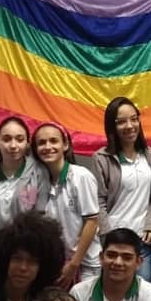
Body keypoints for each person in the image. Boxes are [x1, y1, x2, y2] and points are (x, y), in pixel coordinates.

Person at [91, 97, 151, 280]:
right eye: (121, 122)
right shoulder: (102, 158)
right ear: (112, 126)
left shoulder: (149, 154)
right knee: (114, 289)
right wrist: (107, 237)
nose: (129, 126)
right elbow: (98, 201)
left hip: (142, 241)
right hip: (114, 241)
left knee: (144, 289)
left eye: (134, 119)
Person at [33, 122, 101, 287]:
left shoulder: (80, 176)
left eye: (53, 141)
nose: (47, 147)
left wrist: (73, 264)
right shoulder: (39, 181)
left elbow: (92, 222)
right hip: (57, 264)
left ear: (65, 145)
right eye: (41, 143)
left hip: (85, 264)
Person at [0, 116, 44, 242]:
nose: (13, 145)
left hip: (27, 244)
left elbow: (42, 214)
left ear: (27, 143)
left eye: (20, 139)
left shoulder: (39, 173)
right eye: (6, 139)